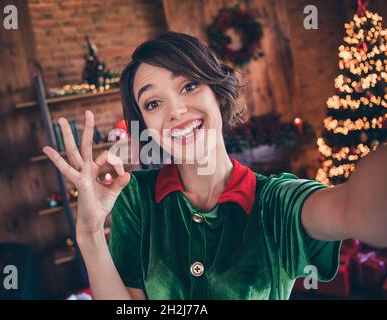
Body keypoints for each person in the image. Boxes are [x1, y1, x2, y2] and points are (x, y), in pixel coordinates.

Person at [42, 32, 387, 300]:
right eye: (153, 103)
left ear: (218, 94)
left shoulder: (275, 203)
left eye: (189, 85)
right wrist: (89, 233)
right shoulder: (135, 198)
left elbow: (353, 208)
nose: (175, 110)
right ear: (144, 126)